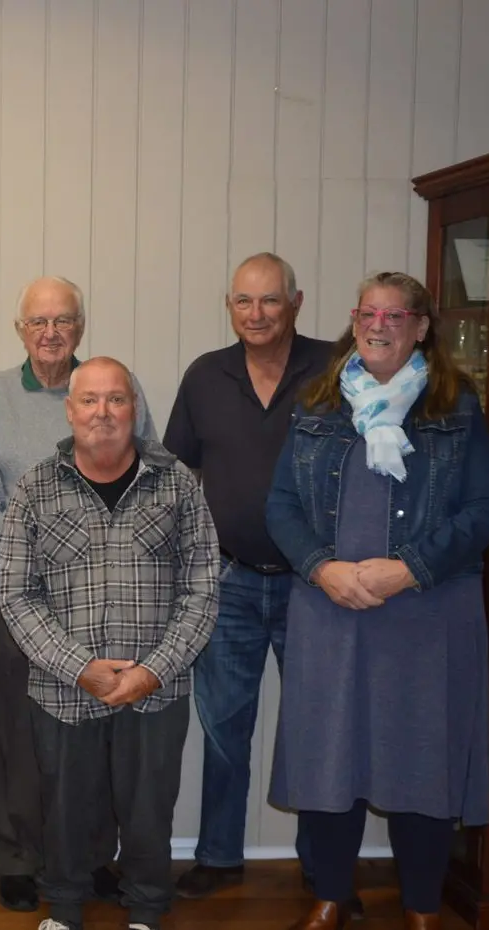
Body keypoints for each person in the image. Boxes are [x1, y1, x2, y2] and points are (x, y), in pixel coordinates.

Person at [267, 272, 489, 930]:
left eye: (394, 315)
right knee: (328, 759)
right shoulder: (318, 402)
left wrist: (411, 569)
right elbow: (281, 505)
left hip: (426, 615)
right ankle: (331, 896)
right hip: (329, 612)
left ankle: (422, 906)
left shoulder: (454, 406)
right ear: (353, 319)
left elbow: (487, 509)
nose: (377, 325)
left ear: (421, 327)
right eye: (367, 313)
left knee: (419, 760)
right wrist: (320, 568)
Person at [0, 357, 219, 930]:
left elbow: (201, 589)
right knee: (66, 810)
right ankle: (65, 911)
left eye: (116, 400)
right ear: (70, 410)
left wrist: (153, 671)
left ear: (135, 409)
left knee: (149, 811)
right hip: (64, 690)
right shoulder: (35, 487)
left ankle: (146, 908)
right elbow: (17, 594)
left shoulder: (177, 486)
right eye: (90, 400)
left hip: (156, 689)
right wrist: (80, 668)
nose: (103, 412)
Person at [0, 276, 155, 911]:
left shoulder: (110, 387)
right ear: (21, 330)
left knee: (94, 734)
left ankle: (93, 854)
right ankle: (18, 859)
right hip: (15, 602)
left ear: (80, 326)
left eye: (63, 321)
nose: (50, 333)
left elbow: (145, 477)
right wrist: (34, 577)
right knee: (20, 736)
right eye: (38, 322)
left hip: (104, 603)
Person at [164, 253, 336, 902]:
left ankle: (325, 871)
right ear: (228, 306)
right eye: (242, 301)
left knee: (319, 729)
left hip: (316, 587)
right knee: (222, 728)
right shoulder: (205, 376)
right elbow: (176, 476)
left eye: (268, 301)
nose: (255, 314)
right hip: (229, 583)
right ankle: (217, 856)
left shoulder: (335, 370)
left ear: (294, 301)